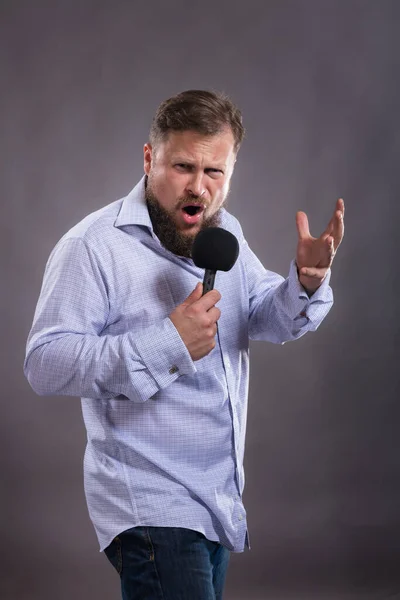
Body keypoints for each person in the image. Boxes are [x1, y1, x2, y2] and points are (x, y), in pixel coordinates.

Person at [24, 89, 345, 600]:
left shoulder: (226, 233)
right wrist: (167, 341)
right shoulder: (94, 247)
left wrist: (305, 282)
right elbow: (45, 361)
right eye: (183, 167)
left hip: (216, 501)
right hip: (150, 505)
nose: (198, 187)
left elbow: (263, 314)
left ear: (231, 171)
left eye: (214, 172)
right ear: (150, 158)